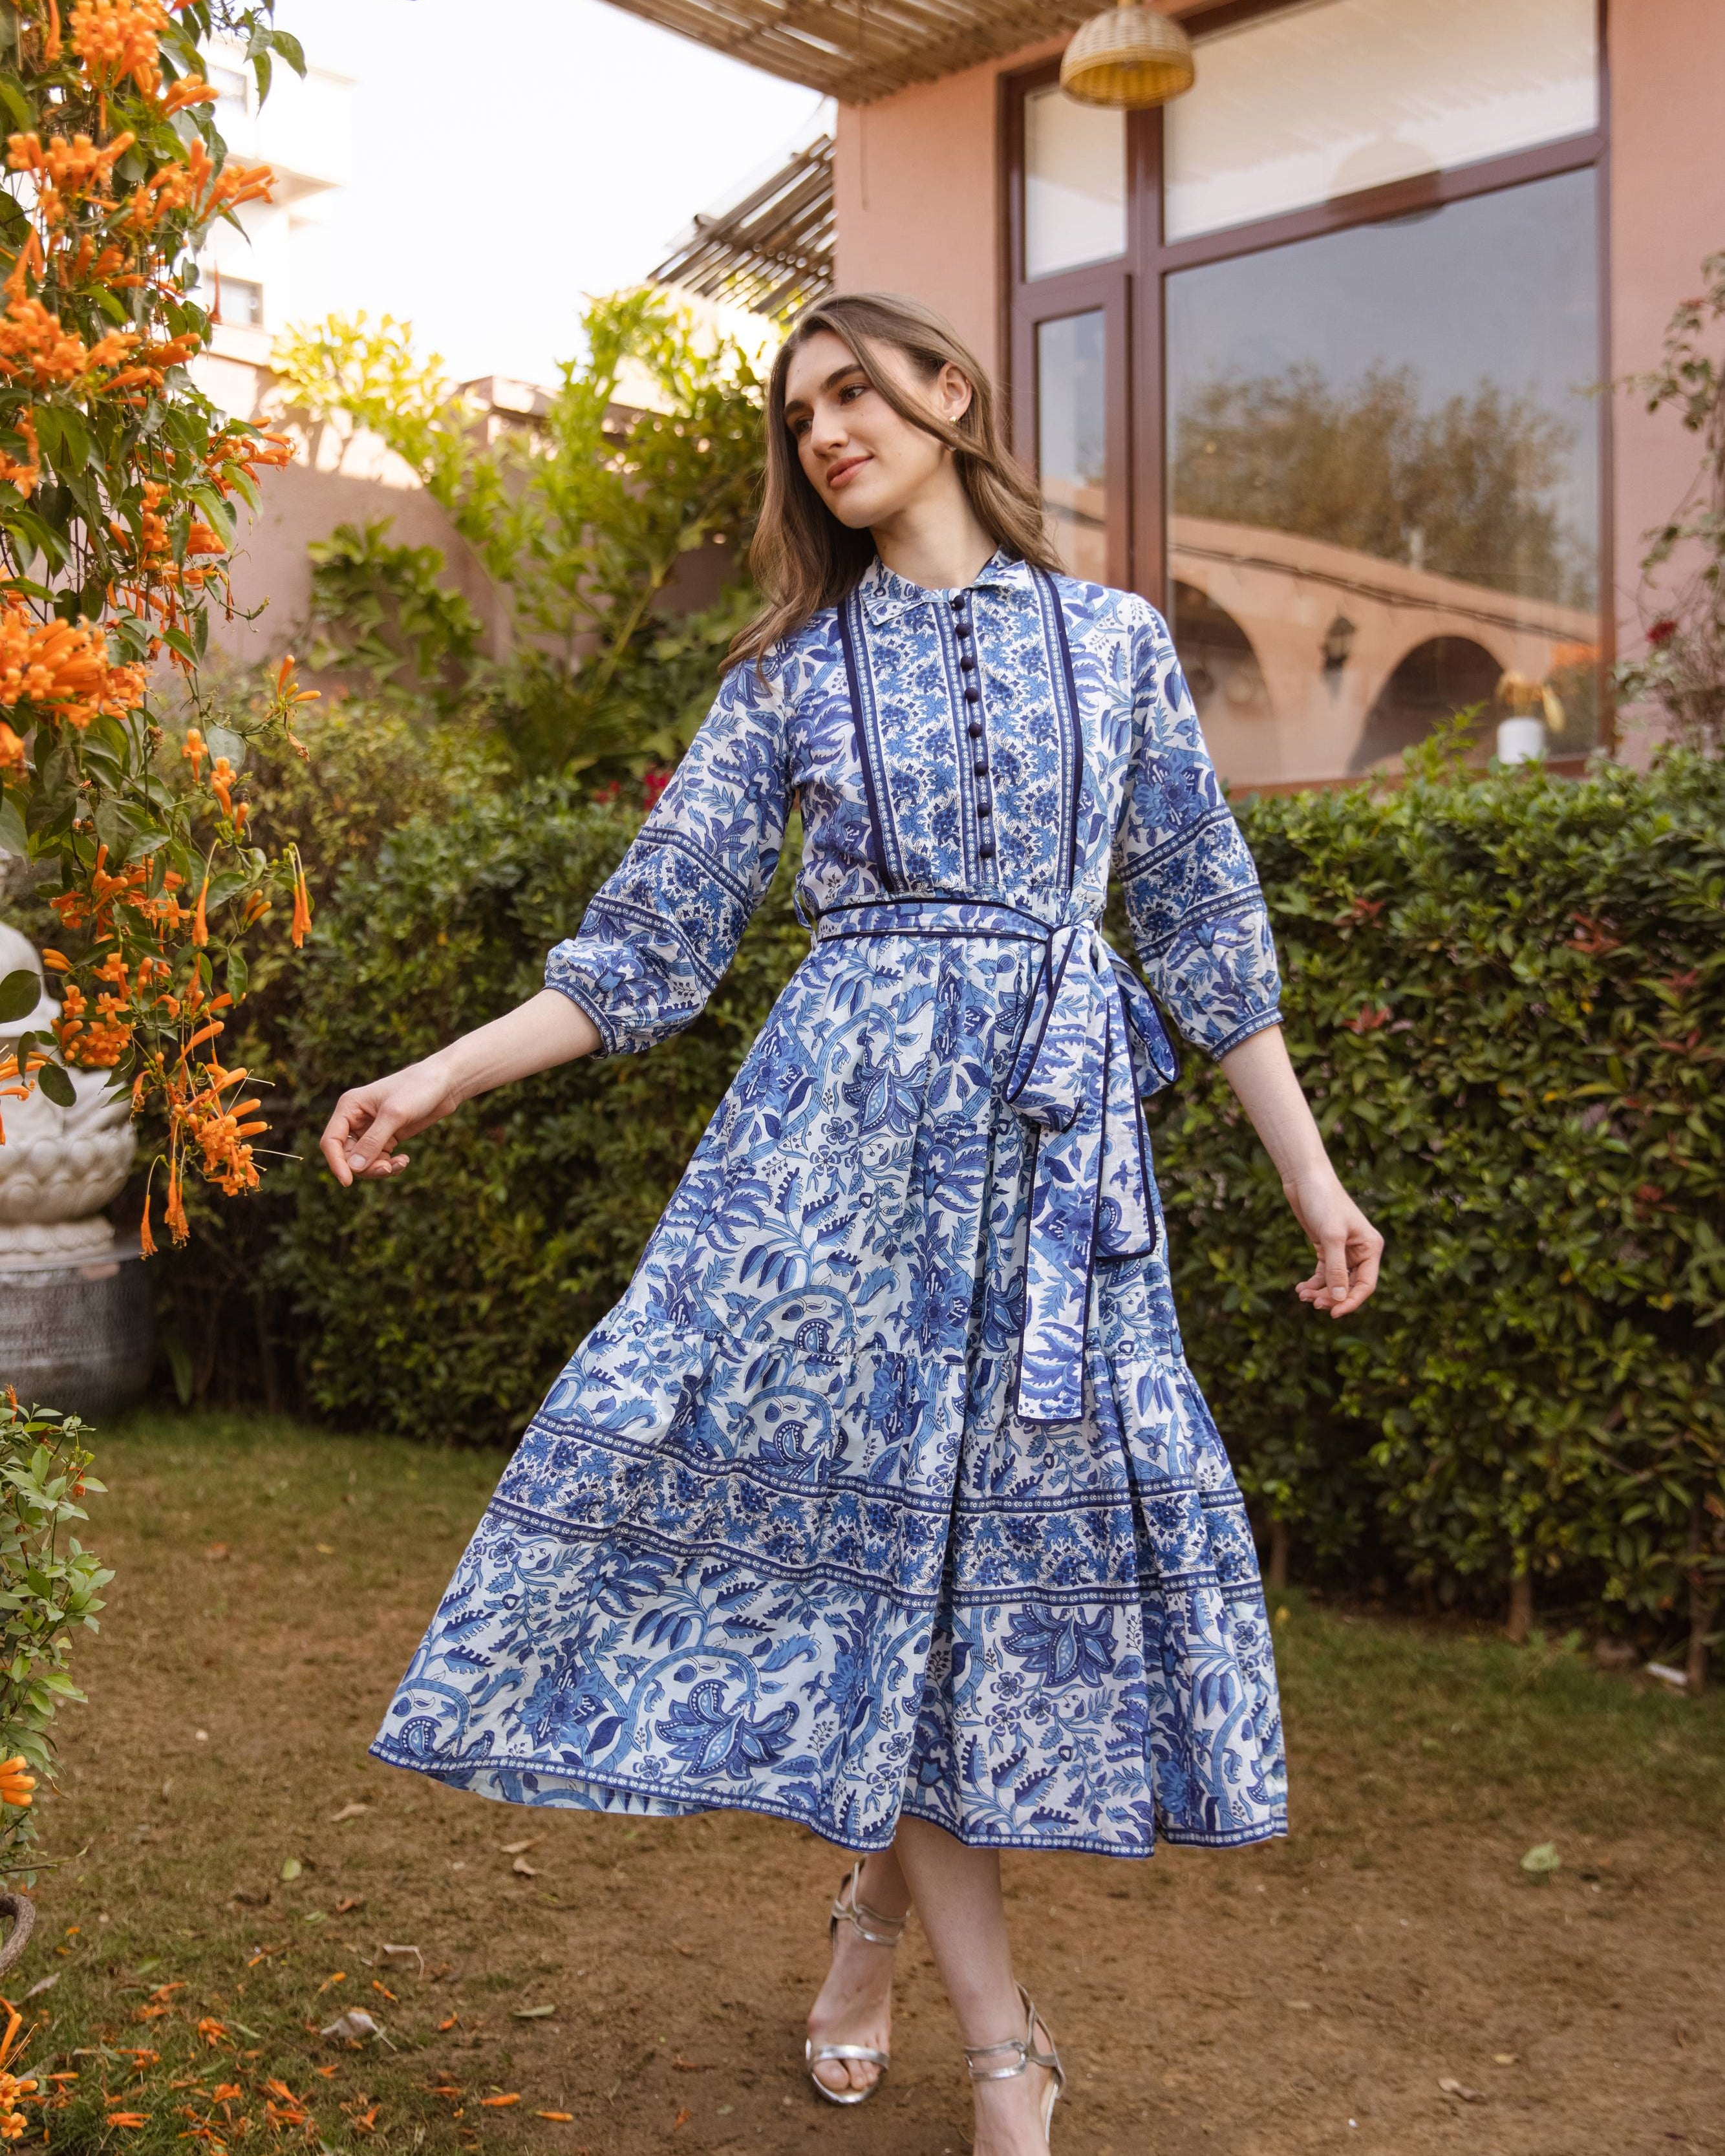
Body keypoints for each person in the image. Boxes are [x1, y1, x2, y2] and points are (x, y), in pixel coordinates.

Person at [320, 290, 1382, 2156]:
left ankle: (868, 1938)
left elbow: (1204, 924)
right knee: (880, 1584)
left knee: (967, 1597)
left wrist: (1308, 1172)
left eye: (851, 391)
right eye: (796, 411)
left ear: (946, 393)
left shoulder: (1114, 642)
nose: (823, 431)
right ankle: (1003, 2049)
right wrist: (441, 1072)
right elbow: (646, 948)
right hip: (821, 1188)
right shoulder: (787, 681)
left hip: (1046, 1178)